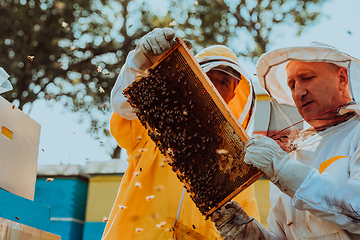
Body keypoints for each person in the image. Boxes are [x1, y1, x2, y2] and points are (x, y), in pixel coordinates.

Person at [101, 28, 259, 240]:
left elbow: (246, 228)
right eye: (209, 77)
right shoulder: (158, 122)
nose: (215, 86)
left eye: (224, 82)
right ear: (193, 76)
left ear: (235, 91)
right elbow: (124, 104)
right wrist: (142, 60)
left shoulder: (235, 165)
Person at [211, 43, 360, 239]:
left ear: (342, 78)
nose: (299, 93)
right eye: (292, 85)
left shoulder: (355, 133)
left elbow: (356, 209)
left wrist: (281, 167)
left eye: (307, 78)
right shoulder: (293, 155)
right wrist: (247, 232)